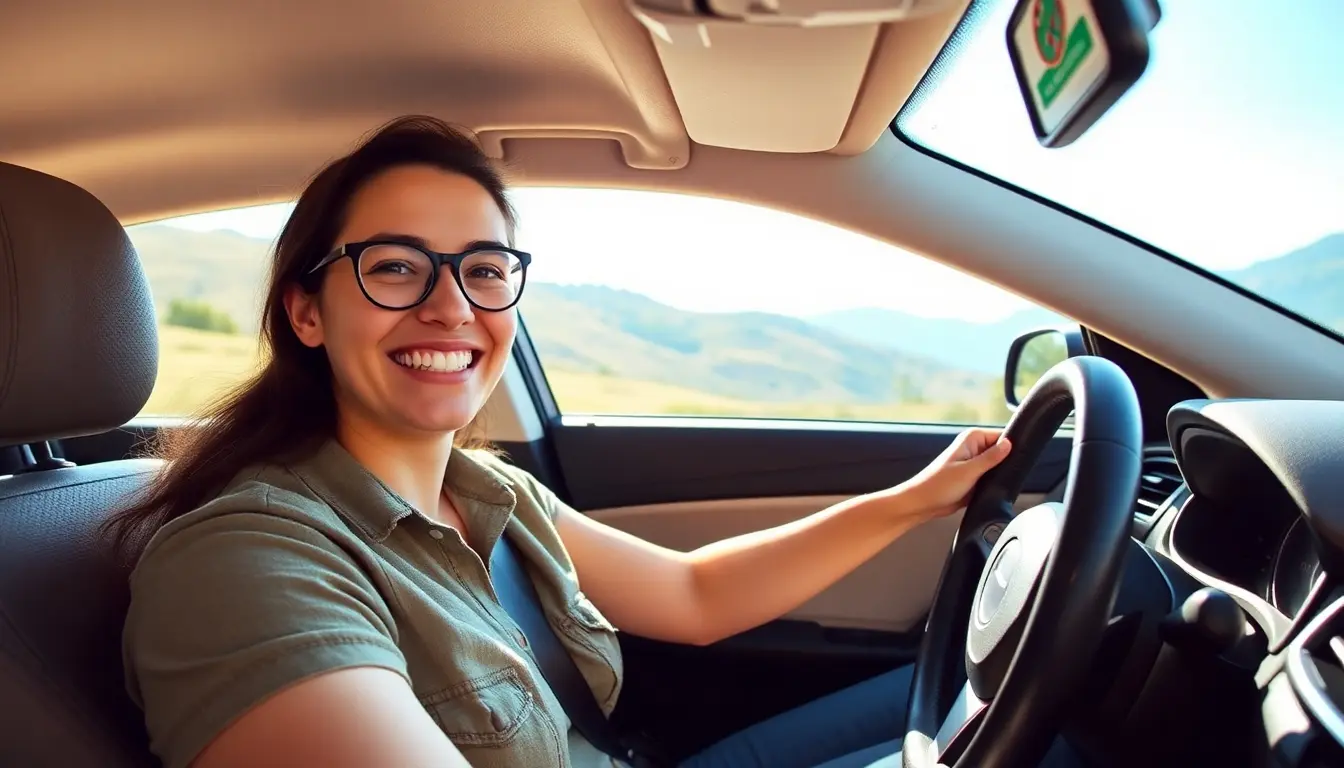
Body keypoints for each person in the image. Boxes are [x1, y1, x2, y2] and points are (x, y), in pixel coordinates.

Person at [112, 115, 1012, 768]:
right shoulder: (245, 563)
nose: (451, 306)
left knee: (1009, 699)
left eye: (484, 270)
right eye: (395, 266)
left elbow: (695, 595)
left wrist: (913, 500)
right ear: (307, 312)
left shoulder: (490, 495)